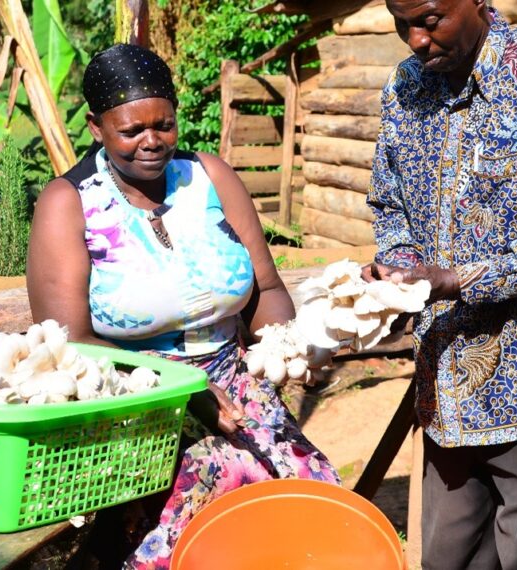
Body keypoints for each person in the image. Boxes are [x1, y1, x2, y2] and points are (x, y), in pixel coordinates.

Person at [26, 43, 339, 568]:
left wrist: (287, 347)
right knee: (193, 526)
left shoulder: (208, 177)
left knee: (309, 507)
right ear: (96, 127)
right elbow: (67, 342)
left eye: (164, 125)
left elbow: (266, 288)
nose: (152, 142)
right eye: (131, 131)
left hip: (235, 383)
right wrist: (183, 389)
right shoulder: (70, 202)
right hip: (133, 402)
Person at [362, 1, 517, 569]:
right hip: (445, 386)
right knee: (452, 557)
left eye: (430, 19)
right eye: (403, 24)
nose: (416, 40)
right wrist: (400, 277)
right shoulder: (406, 86)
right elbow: (390, 202)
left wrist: (458, 279)